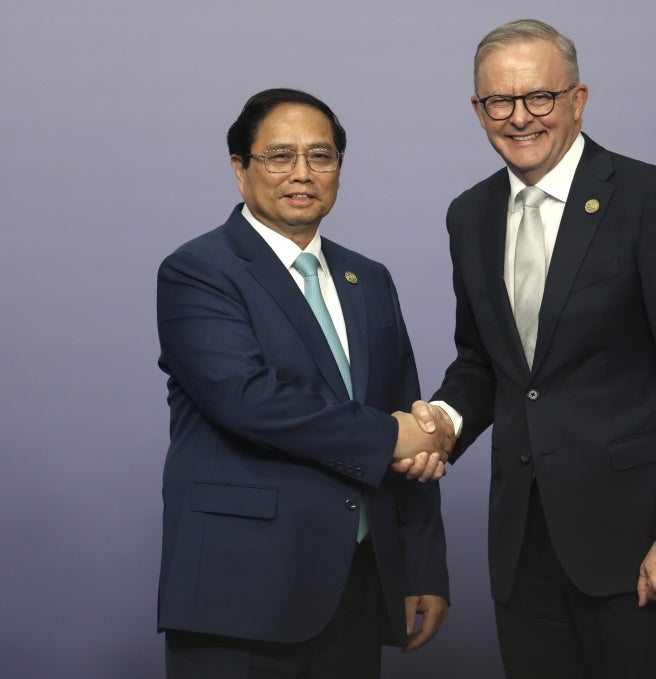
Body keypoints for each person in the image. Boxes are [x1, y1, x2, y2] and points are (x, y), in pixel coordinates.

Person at [413, 19, 656, 678]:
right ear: (478, 110)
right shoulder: (469, 215)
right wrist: (440, 424)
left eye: (539, 96)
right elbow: (485, 362)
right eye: (499, 102)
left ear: (577, 99)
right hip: (524, 551)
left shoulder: (654, 200)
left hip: (641, 547)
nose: (519, 117)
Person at [156, 88, 450, 679]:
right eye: (279, 156)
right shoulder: (198, 270)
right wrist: (391, 437)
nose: (302, 173)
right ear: (240, 168)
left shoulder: (369, 278)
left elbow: (407, 416)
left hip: (357, 586)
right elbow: (246, 399)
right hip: (240, 592)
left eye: (321, 156)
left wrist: (421, 568)